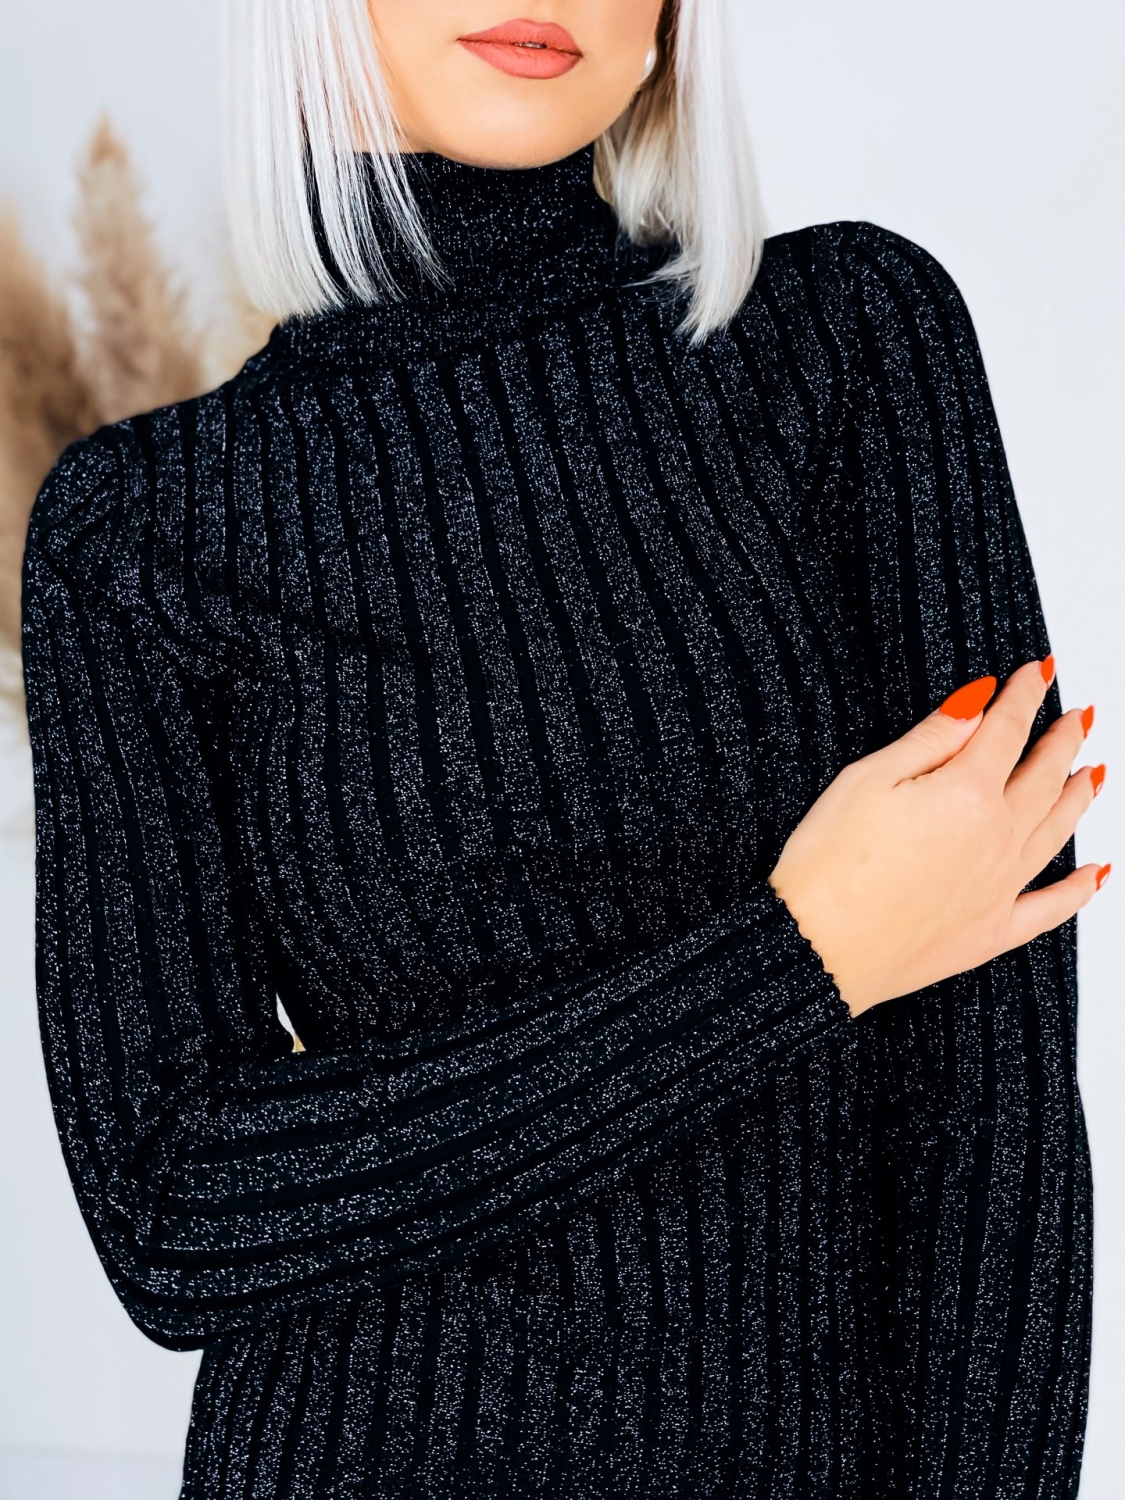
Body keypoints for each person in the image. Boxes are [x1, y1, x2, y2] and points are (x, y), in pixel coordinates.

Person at [21, 0, 1107, 1495]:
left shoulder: (851, 340)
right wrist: (795, 958)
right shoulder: (141, 530)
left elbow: (996, 1126)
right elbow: (175, 1216)